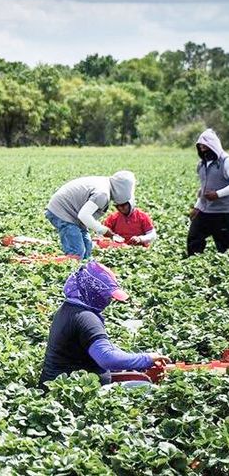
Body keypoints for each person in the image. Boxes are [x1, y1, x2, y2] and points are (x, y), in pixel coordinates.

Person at [39, 261, 169, 387]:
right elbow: (107, 358)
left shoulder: (68, 309)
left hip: (59, 385)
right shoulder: (87, 319)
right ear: (92, 291)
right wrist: (146, 359)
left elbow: (104, 352)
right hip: (74, 392)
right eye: (105, 295)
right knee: (147, 388)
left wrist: (138, 363)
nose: (109, 300)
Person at [45, 171, 137, 259]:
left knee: (87, 246)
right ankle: (70, 271)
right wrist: (105, 231)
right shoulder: (103, 193)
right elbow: (84, 216)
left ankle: (83, 271)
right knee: (77, 252)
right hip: (63, 212)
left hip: (73, 215)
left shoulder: (105, 185)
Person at [187, 128, 229, 256]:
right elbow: (203, 190)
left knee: (224, 246)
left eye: (205, 146)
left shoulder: (225, 161)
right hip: (205, 211)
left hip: (224, 212)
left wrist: (217, 194)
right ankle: (193, 265)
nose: (203, 149)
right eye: (200, 147)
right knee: (194, 238)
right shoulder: (202, 165)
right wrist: (197, 207)